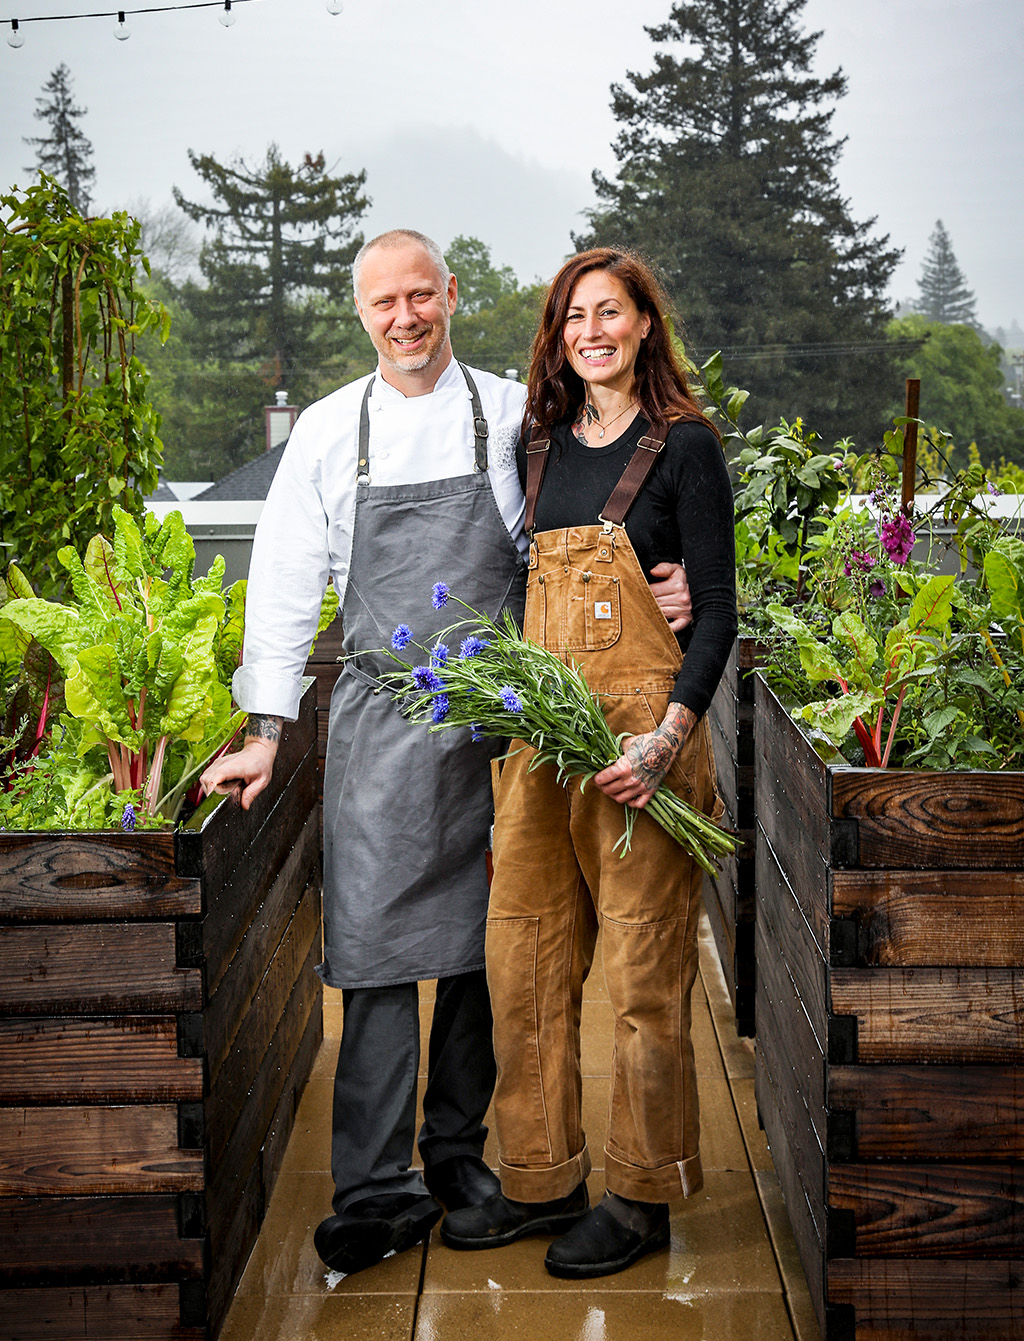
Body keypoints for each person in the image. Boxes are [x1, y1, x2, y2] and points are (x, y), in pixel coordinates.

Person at [199, 230, 694, 1278]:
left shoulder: (515, 414)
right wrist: (264, 730)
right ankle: (375, 1185)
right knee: (375, 945)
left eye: (421, 295)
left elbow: (583, 529)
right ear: (361, 315)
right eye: (384, 303)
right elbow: (287, 584)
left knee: (493, 941)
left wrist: (668, 582)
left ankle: (462, 1156)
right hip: (384, 718)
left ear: (452, 295)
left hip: (508, 717)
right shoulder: (334, 431)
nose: (406, 316)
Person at [441, 248, 738, 1279]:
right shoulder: (538, 447)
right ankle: (538, 1175)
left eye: (609, 312)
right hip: (539, 752)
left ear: (645, 323)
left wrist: (662, 744)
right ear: (556, 336)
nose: (591, 331)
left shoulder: (686, 447)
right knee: (523, 961)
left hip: (639, 754)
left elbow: (716, 615)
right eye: (574, 317)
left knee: (645, 978)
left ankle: (644, 1192)